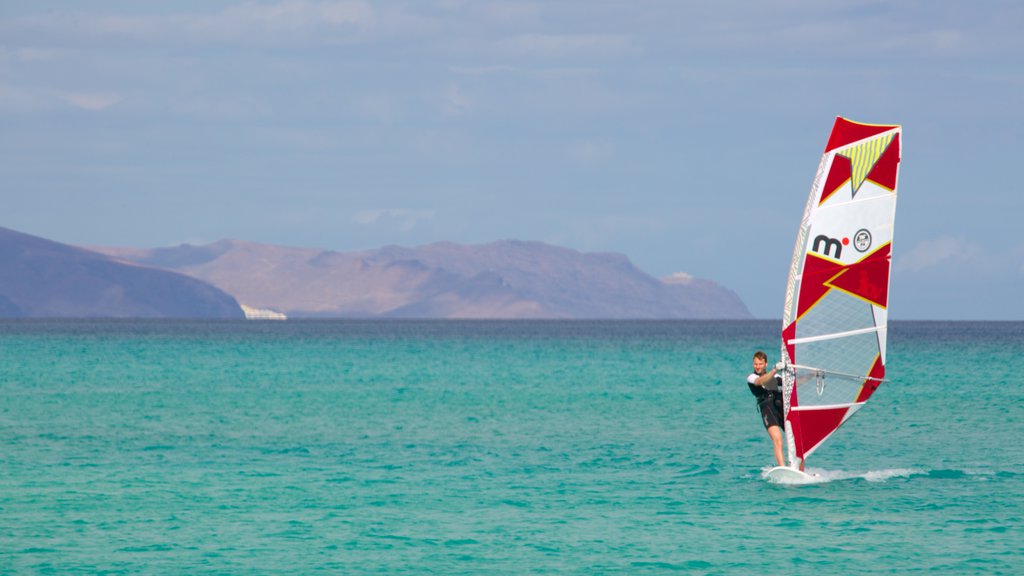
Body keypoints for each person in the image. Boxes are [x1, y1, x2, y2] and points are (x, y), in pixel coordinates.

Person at [747, 350, 787, 468]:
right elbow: (760, 381)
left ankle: (800, 469)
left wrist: (810, 376)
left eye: (760, 364)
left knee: (796, 441)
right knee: (778, 439)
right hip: (768, 409)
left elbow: (795, 384)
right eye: (755, 364)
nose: (757, 366)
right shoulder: (752, 377)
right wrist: (775, 369)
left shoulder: (777, 377)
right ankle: (782, 467)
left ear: (766, 364)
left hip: (781, 408)